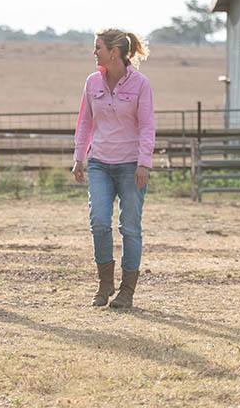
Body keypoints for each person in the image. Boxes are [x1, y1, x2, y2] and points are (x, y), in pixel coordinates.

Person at [71, 28, 154, 310]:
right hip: (99, 164)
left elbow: (147, 126)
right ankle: (105, 283)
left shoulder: (141, 84)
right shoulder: (92, 82)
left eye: (98, 48)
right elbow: (85, 122)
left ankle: (126, 291)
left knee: (129, 227)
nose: (94, 52)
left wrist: (144, 162)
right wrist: (79, 157)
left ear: (113, 52)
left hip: (131, 165)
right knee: (99, 221)